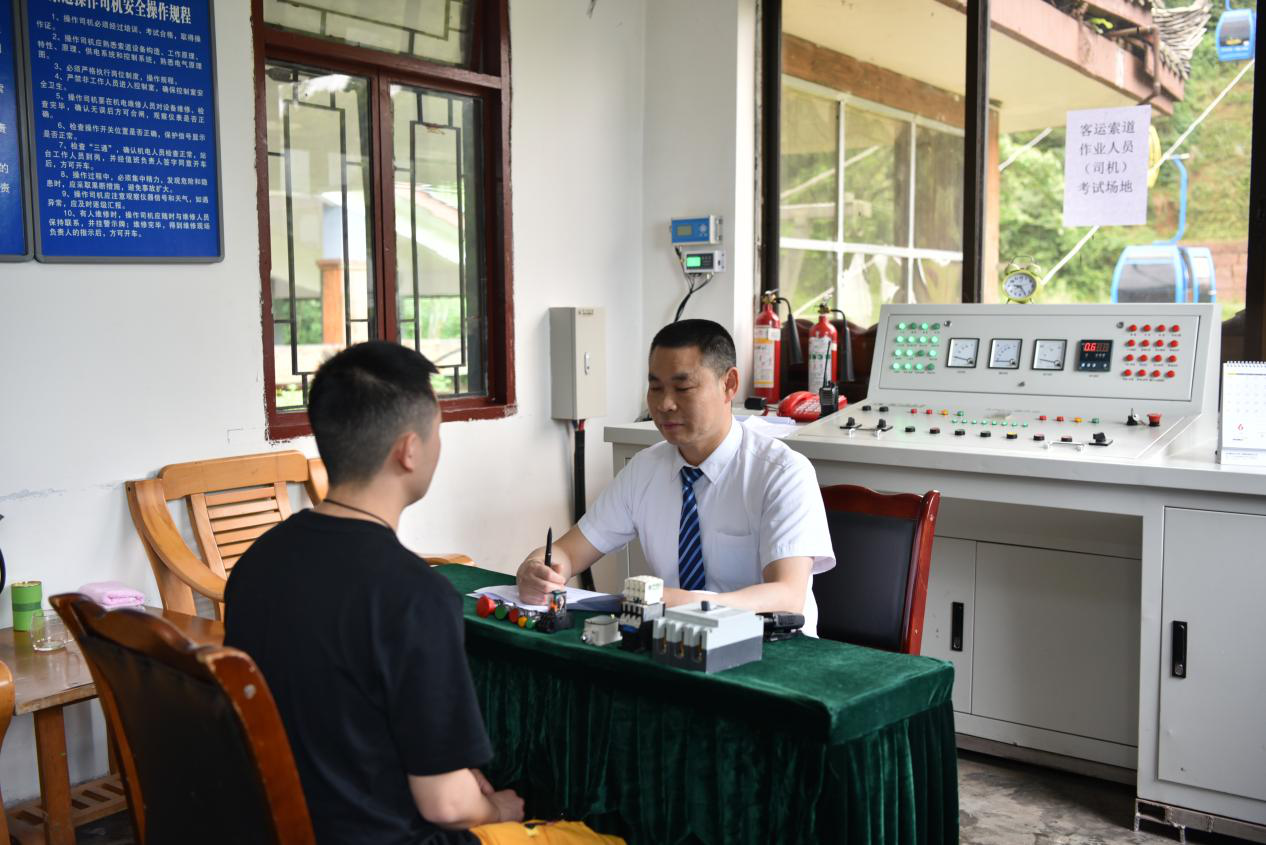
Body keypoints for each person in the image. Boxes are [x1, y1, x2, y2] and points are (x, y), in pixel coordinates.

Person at [224, 341, 523, 844]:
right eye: (437, 432)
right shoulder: (416, 596)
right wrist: (500, 809)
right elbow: (448, 805)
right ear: (409, 450)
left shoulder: (258, 561)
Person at [517, 319, 836, 636]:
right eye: (655, 388)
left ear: (729, 384)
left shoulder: (782, 473)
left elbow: (787, 597)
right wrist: (536, 569)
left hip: (772, 646)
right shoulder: (644, 469)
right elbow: (569, 552)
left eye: (683, 388)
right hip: (680, 644)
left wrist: (692, 604)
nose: (664, 404)